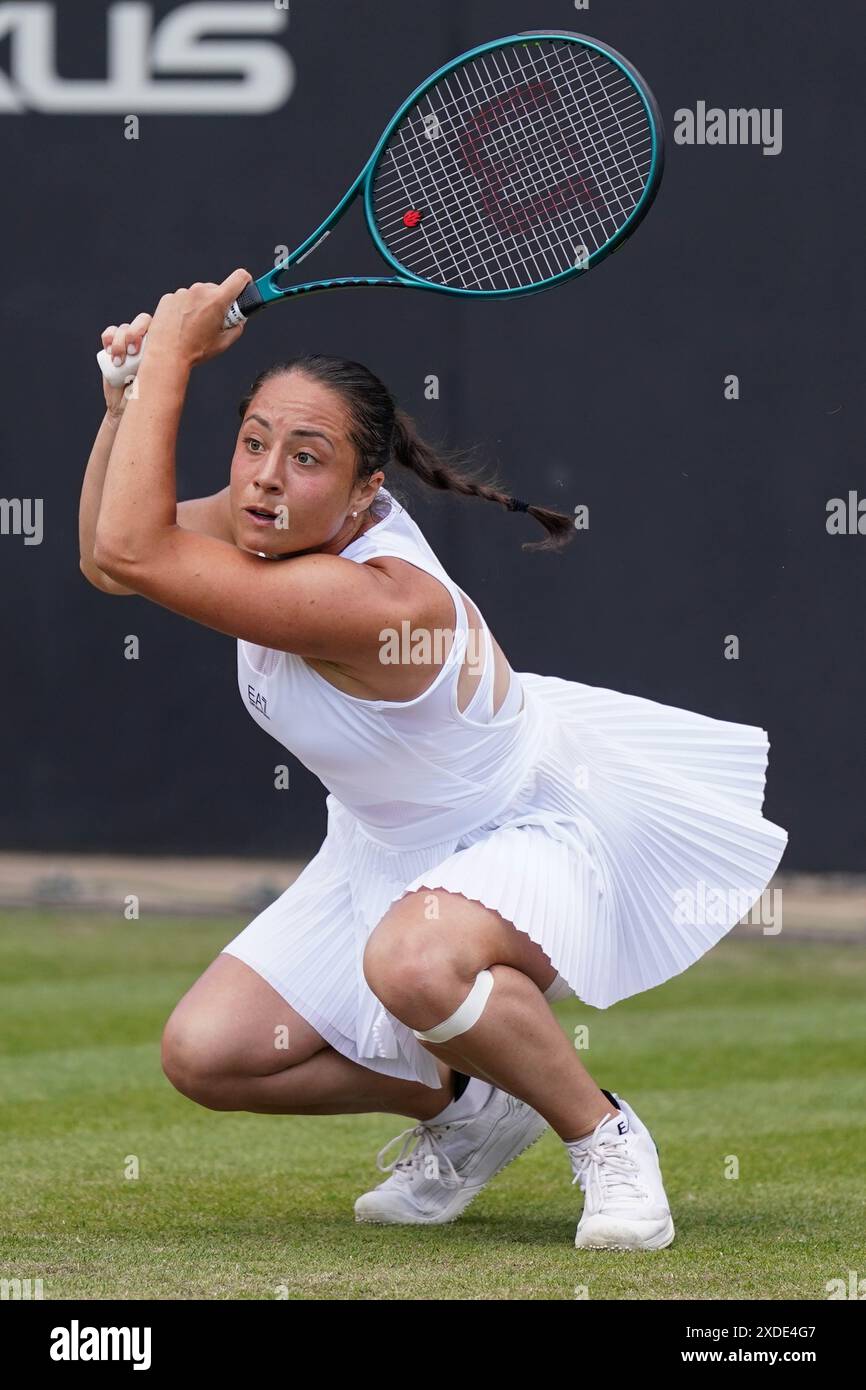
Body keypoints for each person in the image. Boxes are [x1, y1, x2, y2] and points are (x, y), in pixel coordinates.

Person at [80, 271, 788, 1251]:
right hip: (384, 844)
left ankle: (602, 1134)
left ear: (367, 489)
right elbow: (107, 557)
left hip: (529, 830)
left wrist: (169, 358)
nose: (265, 478)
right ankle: (464, 1103)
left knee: (413, 962)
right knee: (207, 1055)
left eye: (305, 457)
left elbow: (135, 546)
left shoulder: (374, 602)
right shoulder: (267, 524)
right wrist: (126, 407)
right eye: (252, 443)